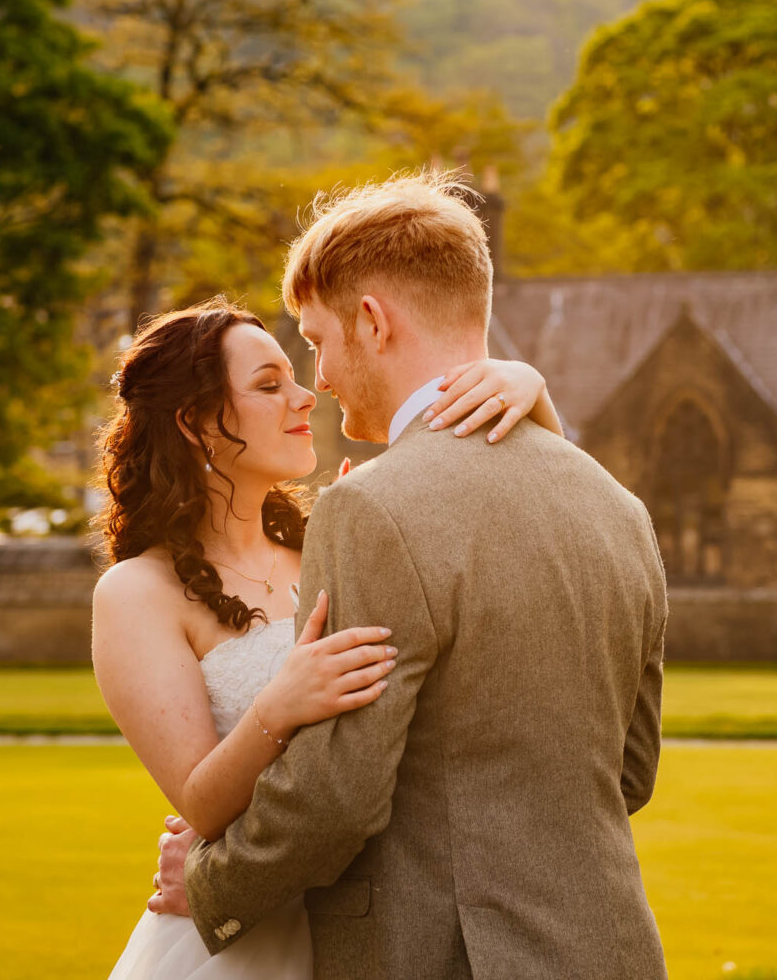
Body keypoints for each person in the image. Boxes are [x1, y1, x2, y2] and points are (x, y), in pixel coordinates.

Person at [153, 170, 669, 979]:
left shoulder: (371, 511)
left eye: (318, 342)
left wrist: (213, 882)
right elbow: (630, 771)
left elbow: (336, 797)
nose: (317, 378)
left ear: (371, 321)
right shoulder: (618, 506)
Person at [92, 291, 563, 980]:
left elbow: (520, 521)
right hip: (247, 944)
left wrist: (531, 391)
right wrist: (278, 705)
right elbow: (198, 801)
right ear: (194, 422)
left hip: (381, 921)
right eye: (268, 385)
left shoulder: (336, 537)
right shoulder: (137, 593)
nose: (307, 395)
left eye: (296, 373)